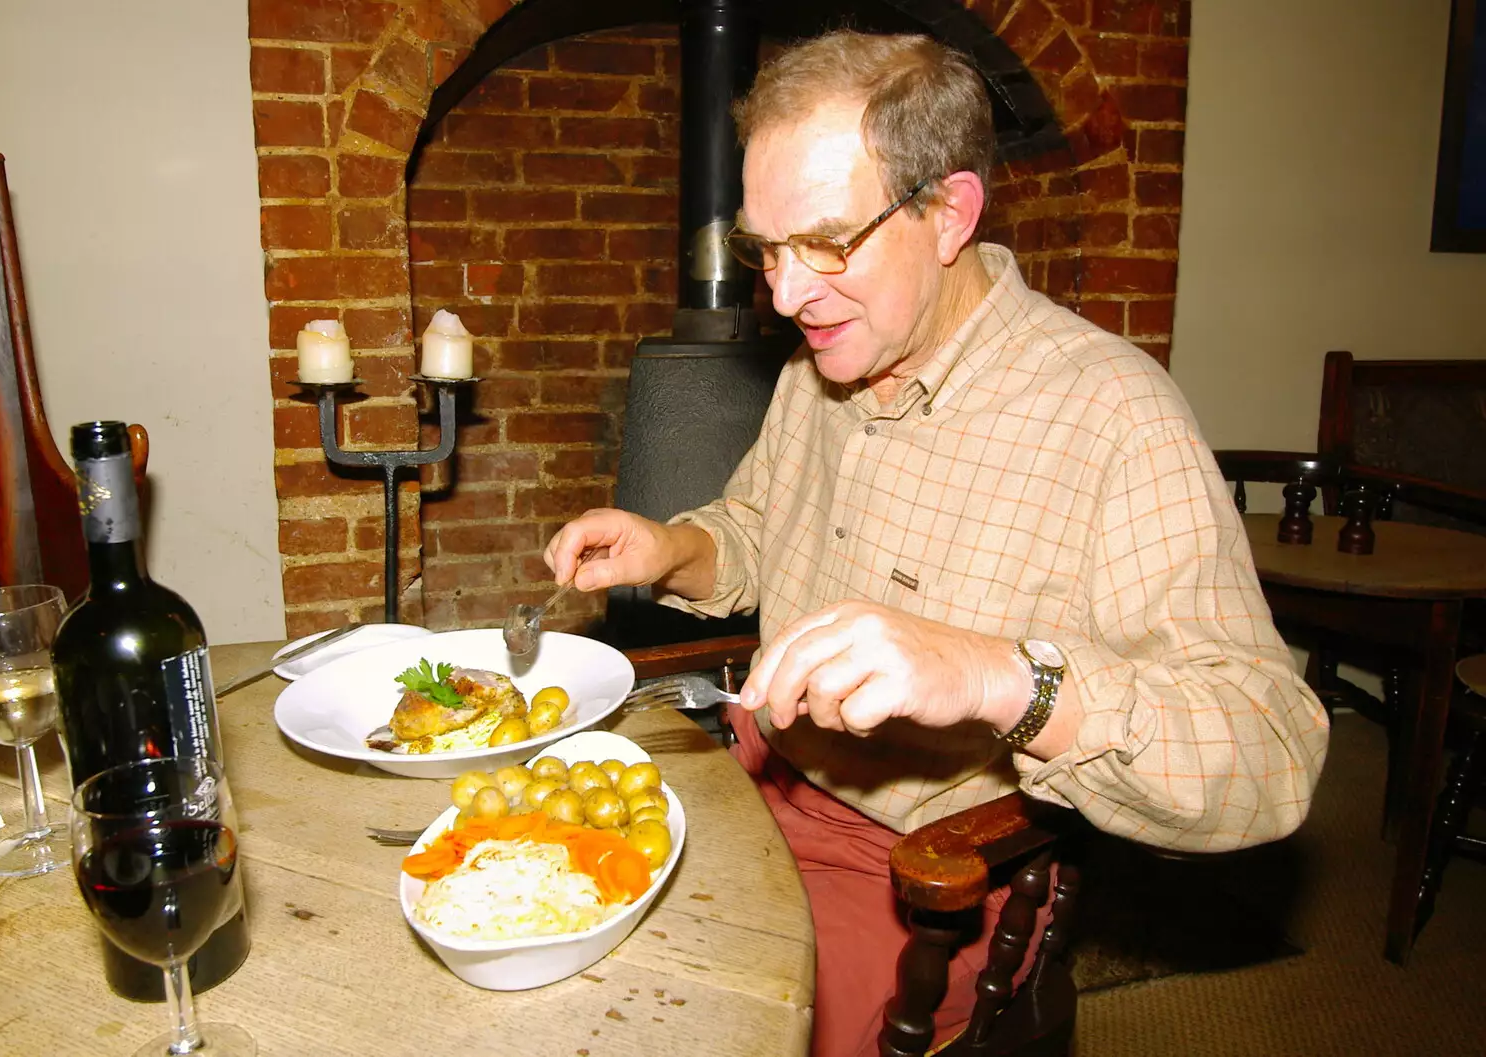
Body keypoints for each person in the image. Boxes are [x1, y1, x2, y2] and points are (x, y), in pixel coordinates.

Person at [543, 30, 1329, 1057]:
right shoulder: (818, 368)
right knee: (539, 919)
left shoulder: (1110, 413)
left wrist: (1001, 678)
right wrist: (668, 548)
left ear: (948, 212)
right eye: (765, 251)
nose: (783, 295)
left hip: (926, 872)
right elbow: (751, 535)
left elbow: (1267, 756)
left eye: (826, 244)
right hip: (752, 784)